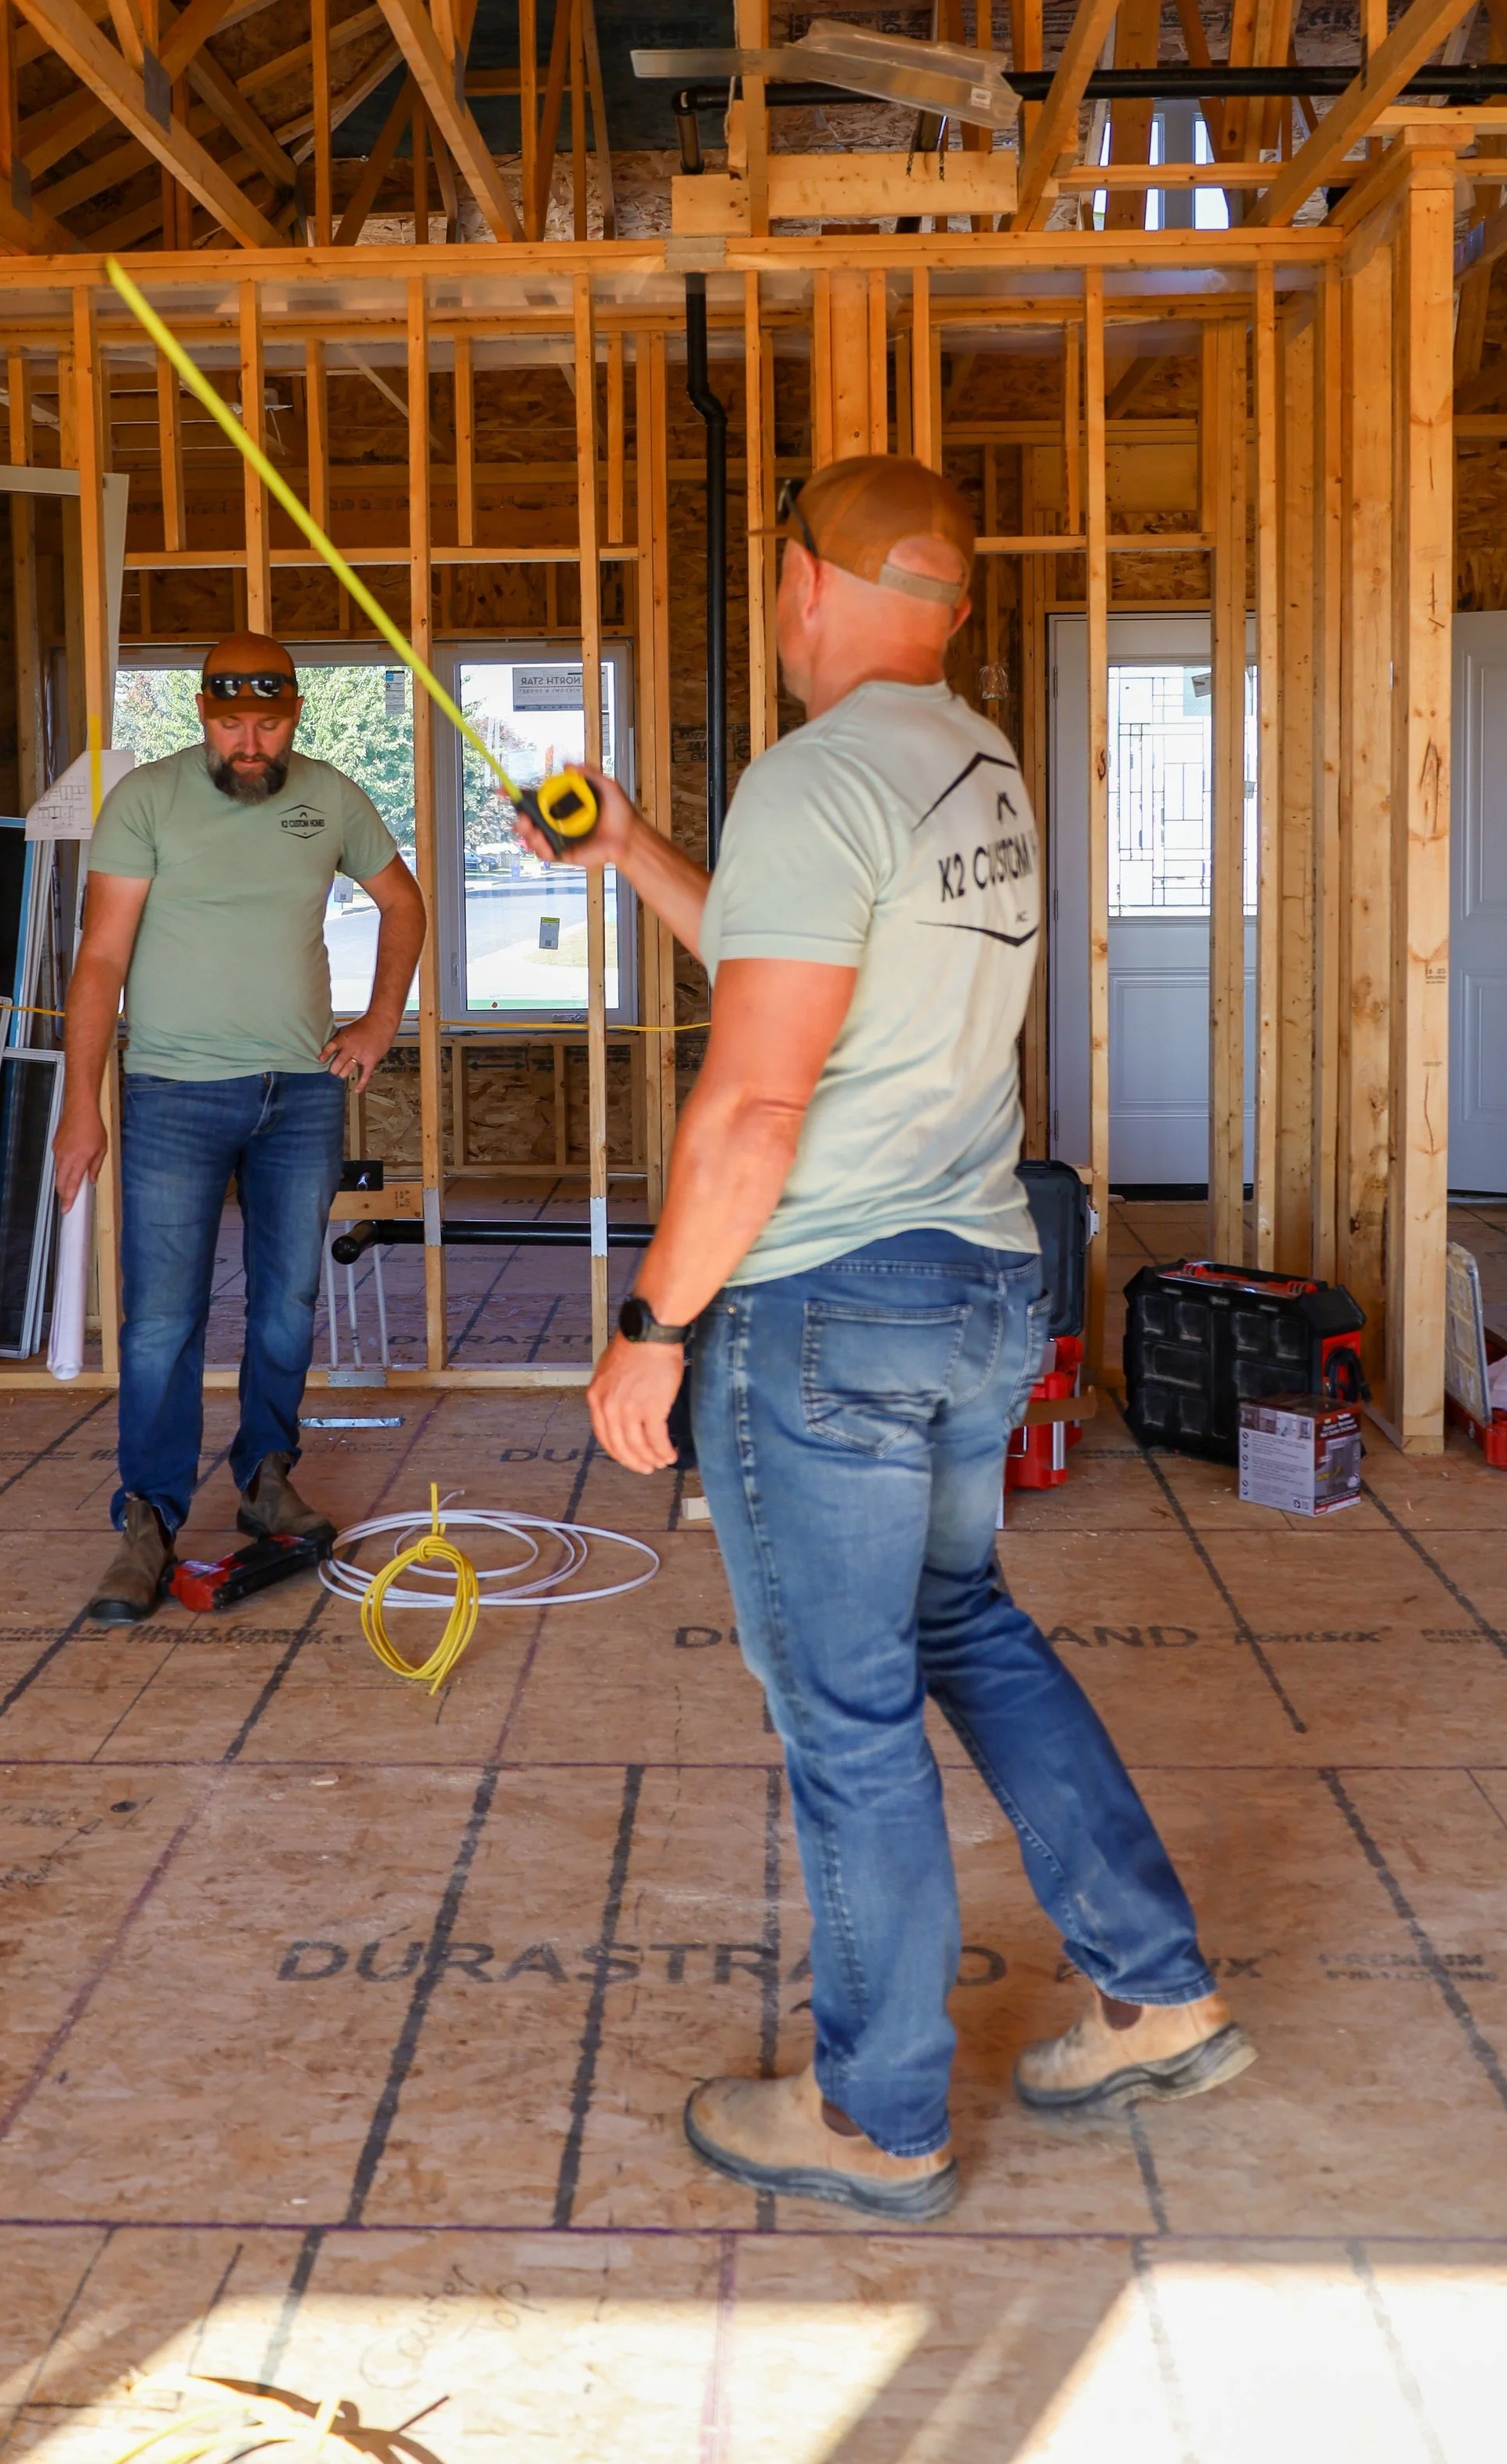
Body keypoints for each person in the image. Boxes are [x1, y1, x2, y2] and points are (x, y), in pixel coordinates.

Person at [524, 454, 1252, 2223]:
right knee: (963, 1630)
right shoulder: (976, 763)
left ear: (803, 583)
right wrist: (630, 853)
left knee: (847, 1715)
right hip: (980, 1283)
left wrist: (648, 1324)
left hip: (829, 1305)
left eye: (783, 590)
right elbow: (811, 977)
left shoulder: (809, 777)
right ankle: (1154, 1990)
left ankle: (874, 2116)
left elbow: (753, 1112)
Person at [53, 633, 426, 1625]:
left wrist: (380, 1023)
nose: (249, 742)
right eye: (230, 723)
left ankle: (265, 1478)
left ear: (295, 713)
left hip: (301, 1093)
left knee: (287, 1301)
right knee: (163, 1319)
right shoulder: (148, 802)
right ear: (202, 713)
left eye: (268, 723)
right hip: (174, 1094)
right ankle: (149, 1515)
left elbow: (402, 903)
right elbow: (99, 962)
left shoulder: (331, 799)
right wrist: (78, 1105)